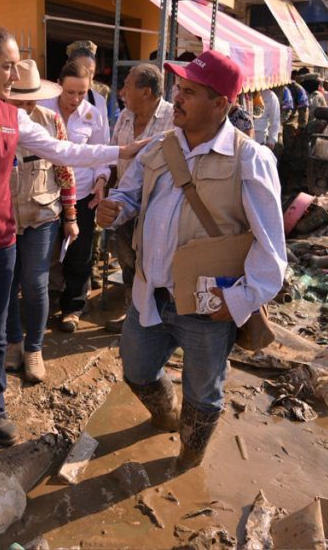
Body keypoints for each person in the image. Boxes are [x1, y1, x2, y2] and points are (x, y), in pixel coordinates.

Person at [0, 23, 148, 480]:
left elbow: (61, 150)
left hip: (0, 247)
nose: (14, 74)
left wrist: (123, 150)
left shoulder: (10, 115)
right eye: (8, 65)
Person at [96, 49, 287, 473]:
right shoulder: (161, 148)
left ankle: (189, 455)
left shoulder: (249, 158)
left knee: (203, 394)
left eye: (190, 92)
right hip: (151, 291)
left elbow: (272, 248)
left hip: (209, 304)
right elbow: (128, 194)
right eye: (178, 89)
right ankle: (165, 415)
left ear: (221, 104)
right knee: (137, 368)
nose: (177, 99)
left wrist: (239, 300)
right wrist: (116, 207)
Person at [4, 61, 79, 383]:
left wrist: (71, 216)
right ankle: (12, 343)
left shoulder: (50, 122)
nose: (25, 106)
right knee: (6, 285)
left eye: (30, 99)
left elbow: (64, 168)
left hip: (42, 216)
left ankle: (34, 348)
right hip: (1, 219)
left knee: (35, 285)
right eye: (18, 100)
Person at [42, 61, 112, 333]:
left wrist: (101, 180)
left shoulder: (94, 115)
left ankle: (73, 307)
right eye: (70, 92)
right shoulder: (43, 109)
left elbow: (101, 154)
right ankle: (43, 303)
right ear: (59, 85)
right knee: (44, 252)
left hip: (82, 194)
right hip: (46, 194)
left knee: (79, 252)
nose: (75, 99)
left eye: (81, 93)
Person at [107, 63, 173, 333]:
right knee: (128, 262)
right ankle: (132, 315)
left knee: (155, 266)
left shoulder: (172, 118)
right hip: (126, 205)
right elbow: (113, 155)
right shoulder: (124, 116)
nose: (122, 92)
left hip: (157, 209)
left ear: (146, 91)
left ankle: (159, 321)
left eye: (127, 86)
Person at [66, 40, 113, 133]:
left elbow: (105, 133)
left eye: (90, 72)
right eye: (80, 70)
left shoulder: (100, 98)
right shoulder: (52, 96)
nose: (85, 76)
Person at [252, 87, 281, 151]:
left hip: (260, 141)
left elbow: (275, 120)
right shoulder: (241, 93)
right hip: (242, 140)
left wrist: (271, 141)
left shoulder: (270, 96)